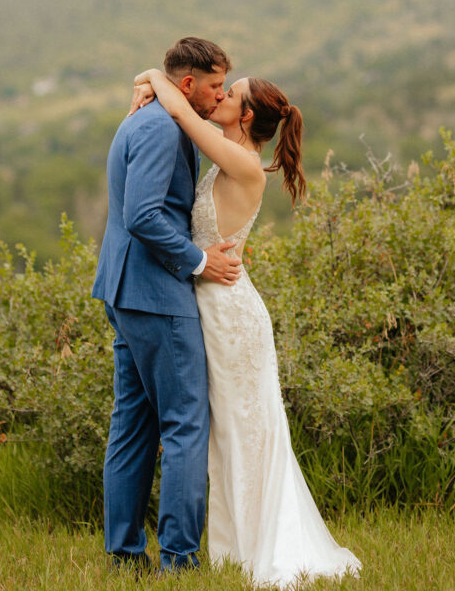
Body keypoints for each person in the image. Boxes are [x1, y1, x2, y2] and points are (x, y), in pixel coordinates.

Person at [130, 68, 362, 587]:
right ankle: (232, 549)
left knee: (246, 430)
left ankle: (262, 546)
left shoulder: (244, 163)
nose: (221, 95)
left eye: (230, 93)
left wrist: (151, 77)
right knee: (225, 432)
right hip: (213, 302)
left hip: (231, 314)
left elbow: (183, 114)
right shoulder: (227, 158)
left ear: (247, 115)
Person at [91, 37, 242, 574]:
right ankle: (180, 560)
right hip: (156, 293)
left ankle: (125, 557)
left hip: (124, 288)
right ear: (188, 84)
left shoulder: (152, 116)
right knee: (184, 422)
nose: (219, 93)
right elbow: (145, 216)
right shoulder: (158, 129)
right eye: (215, 85)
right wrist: (201, 261)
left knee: (132, 424)